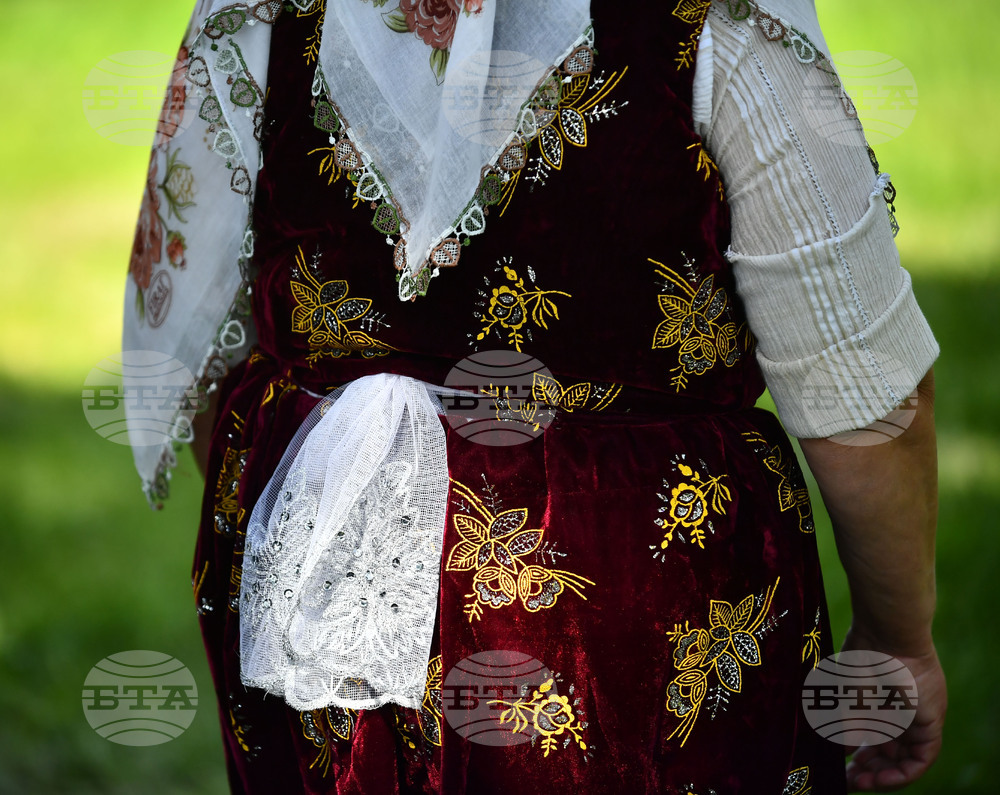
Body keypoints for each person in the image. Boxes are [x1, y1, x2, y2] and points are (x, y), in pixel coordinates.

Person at [124, 0, 945, 791]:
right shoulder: (718, 19)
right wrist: (897, 638)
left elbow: (205, 338)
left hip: (318, 581)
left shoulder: (261, 10)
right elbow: (858, 383)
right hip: (624, 584)